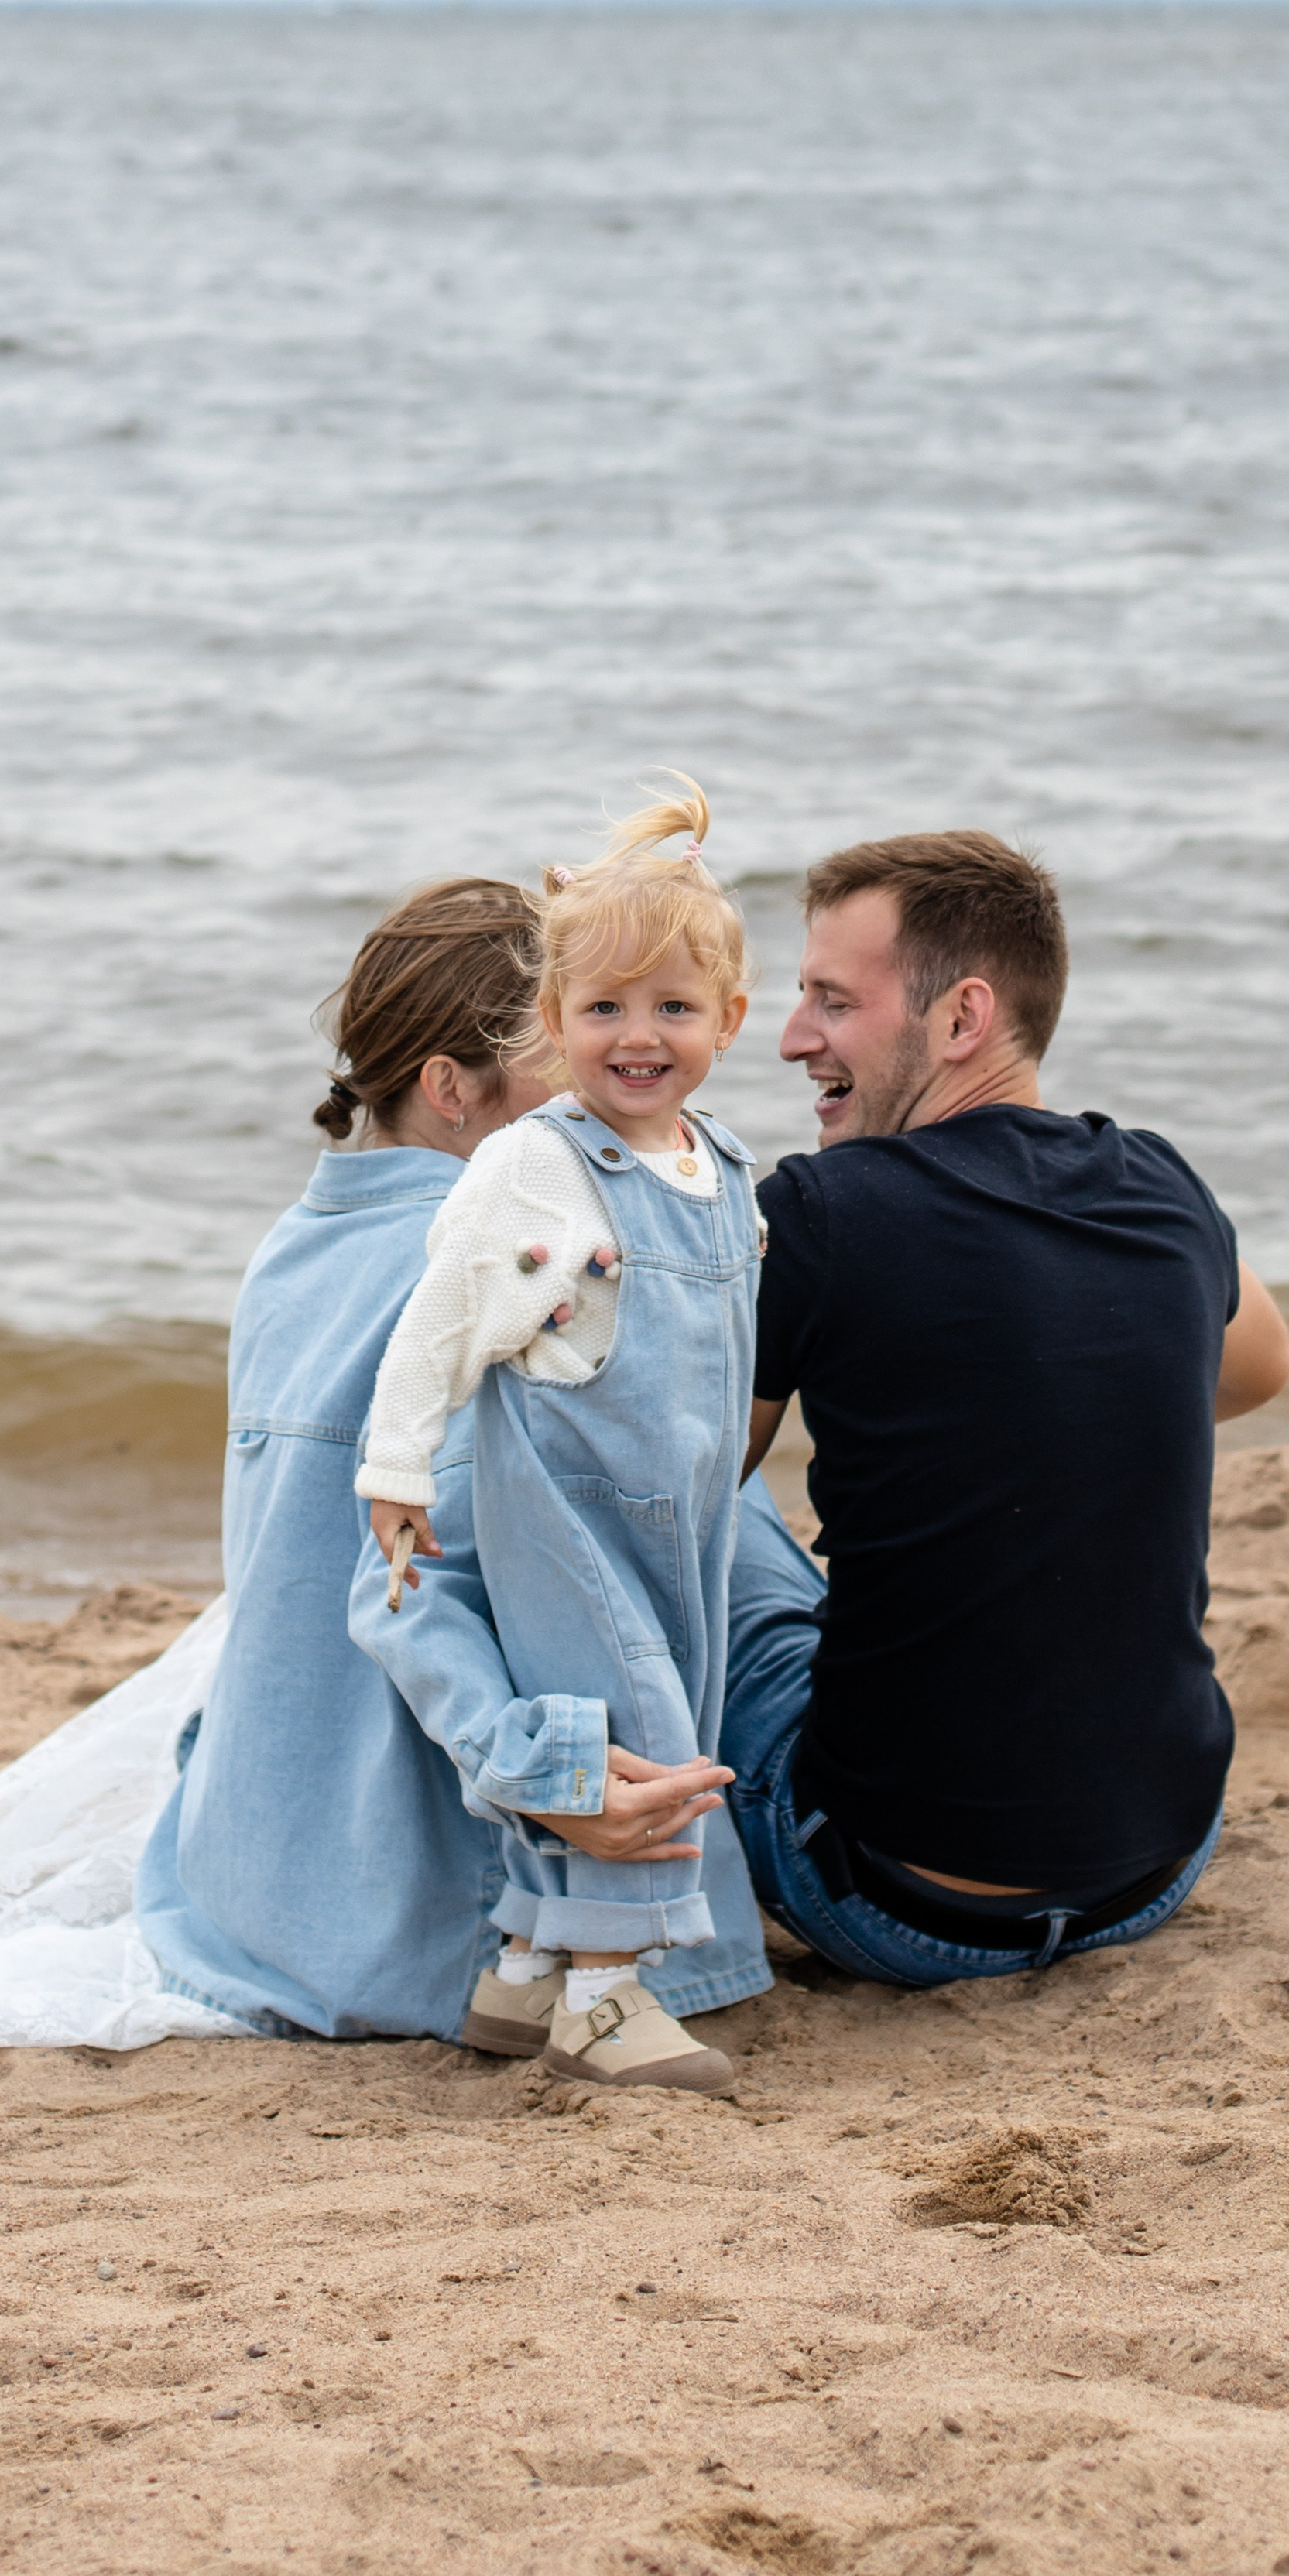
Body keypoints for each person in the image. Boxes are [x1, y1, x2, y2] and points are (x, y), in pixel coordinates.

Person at [136, 869, 775, 2043]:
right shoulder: (497, 1274)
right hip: (429, 1912)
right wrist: (557, 1780)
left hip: (253, 1863)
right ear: (450, 1089)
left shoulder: (293, 1249)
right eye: (566, 1035)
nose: (597, 1070)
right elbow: (405, 1589)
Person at [728, 828, 1289, 1988]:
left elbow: (661, 1496)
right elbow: (1258, 1370)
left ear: (962, 1018)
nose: (791, 1037)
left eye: (832, 1000)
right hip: (1154, 1864)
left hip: (894, 1892)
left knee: (726, 1531)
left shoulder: (820, 1212)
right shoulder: (1159, 1183)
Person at [355, 782, 764, 2093]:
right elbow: (437, 1318)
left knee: (668, 1693)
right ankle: (604, 1996)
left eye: (673, 1009)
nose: (638, 1037)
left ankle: (524, 1967)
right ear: (552, 1018)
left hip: (681, 1510)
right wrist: (395, 1470)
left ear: (730, 1019)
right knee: (634, 1727)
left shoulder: (720, 1162)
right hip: (571, 1506)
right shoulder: (537, 1163)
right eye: (603, 1010)